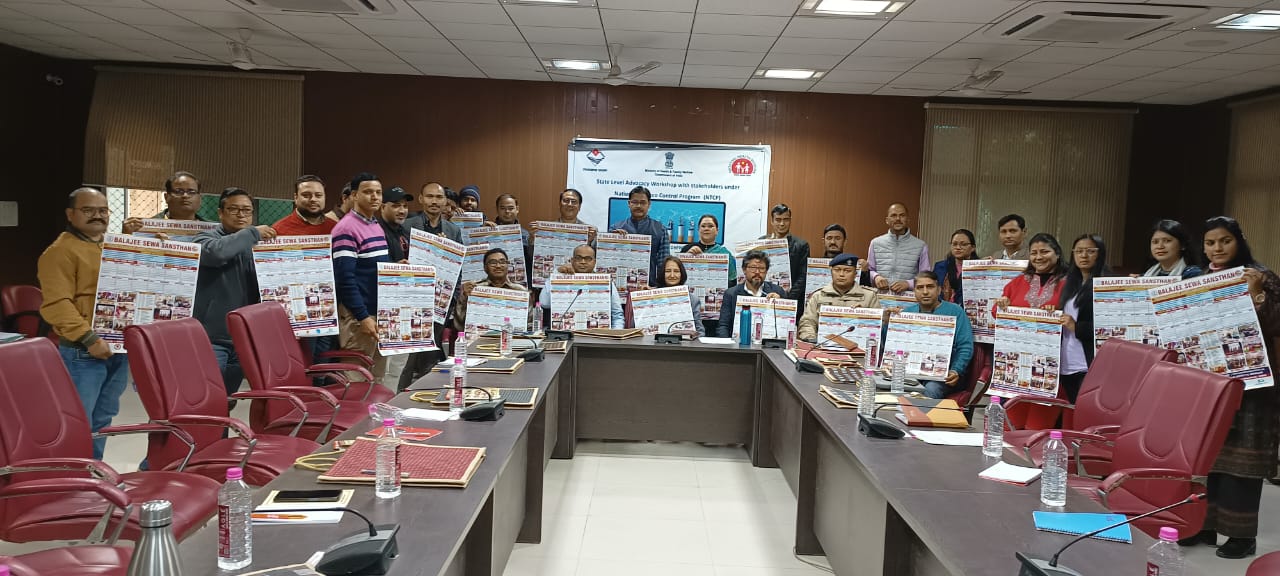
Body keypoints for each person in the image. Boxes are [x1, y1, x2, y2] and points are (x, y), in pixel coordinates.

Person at [1181, 216, 1280, 559]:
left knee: (1241, 463)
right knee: (1206, 457)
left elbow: (1276, 324)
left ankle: (1241, 536)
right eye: (1210, 243)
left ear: (1239, 241)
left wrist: (1256, 294)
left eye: (1225, 241)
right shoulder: (1198, 279)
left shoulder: (1261, 276)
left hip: (1251, 384)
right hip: (1209, 382)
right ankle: (1203, 526)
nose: (1217, 248)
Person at [37, 188, 126, 460]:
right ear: (70, 214)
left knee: (103, 418)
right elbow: (57, 304)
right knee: (79, 422)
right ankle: (71, 478)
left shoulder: (110, 246)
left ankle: (93, 472)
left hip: (119, 348)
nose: (97, 216)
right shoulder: (59, 252)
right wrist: (89, 339)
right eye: (88, 210)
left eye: (103, 210)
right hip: (83, 351)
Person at [191, 188, 276, 399]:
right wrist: (253, 233)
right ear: (220, 213)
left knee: (229, 397)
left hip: (244, 337)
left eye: (246, 210)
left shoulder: (260, 245)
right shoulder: (205, 239)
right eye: (234, 209)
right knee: (208, 397)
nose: (241, 215)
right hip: (211, 338)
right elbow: (217, 253)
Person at [994, 232, 1069, 430]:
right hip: (1019, 364)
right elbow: (996, 312)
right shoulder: (1019, 281)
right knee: (1009, 428)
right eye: (1034, 253)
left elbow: (1074, 316)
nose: (1038, 257)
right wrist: (1002, 304)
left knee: (1036, 428)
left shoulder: (1068, 283)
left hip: (1052, 364)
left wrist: (1058, 313)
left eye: (1044, 251)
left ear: (1057, 253)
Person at [397, 183, 462, 391]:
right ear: (421, 199)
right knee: (407, 356)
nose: (434, 201)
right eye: (430, 196)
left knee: (431, 351)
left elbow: (458, 268)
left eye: (439, 197)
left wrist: (453, 298)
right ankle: (400, 394)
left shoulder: (453, 230)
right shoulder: (407, 226)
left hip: (439, 302)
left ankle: (424, 393)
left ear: (445, 201)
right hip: (411, 299)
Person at [332, 172, 390, 380]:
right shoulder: (346, 229)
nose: (374, 197)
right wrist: (362, 316)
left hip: (378, 314)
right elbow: (344, 279)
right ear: (354, 195)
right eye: (368, 192)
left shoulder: (375, 224)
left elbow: (370, 267)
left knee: (377, 381)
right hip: (359, 318)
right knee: (357, 382)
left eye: (378, 192)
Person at [899, 271, 973, 399]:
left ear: (939, 290)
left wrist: (956, 370)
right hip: (911, 371)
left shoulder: (955, 311)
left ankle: (920, 413)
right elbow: (892, 344)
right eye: (920, 287)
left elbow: (965, 346)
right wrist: (886, 324)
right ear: (914, 291)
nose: (925, 292)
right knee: (890, 384)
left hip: (944, 374)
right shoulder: (907, 313)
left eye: (930, 287)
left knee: (931, 389)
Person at [1056, 234, 1110, 403]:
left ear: (1100, 254)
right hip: (1067, 362)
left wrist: (1077, 327)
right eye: (1079, 251)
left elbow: (1110, 330)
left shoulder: (1107, 285)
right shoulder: (1069, 283)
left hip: (1088, 363)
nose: (1084, 256)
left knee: (1087, 410)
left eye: (1090, 251)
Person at [538, 244, 625, 329]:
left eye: (588, 259)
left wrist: (615, 335)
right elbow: (544, 303)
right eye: (578, 258)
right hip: (565, 334)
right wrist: (557, 274)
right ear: (572, 260)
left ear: (594, 262)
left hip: (597, 335)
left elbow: (617, 315)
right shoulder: (561, 278)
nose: (583, 262)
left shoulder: (606, 282)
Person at [798, 253, 879, 342]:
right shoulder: (818, 296)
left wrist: (864, 317)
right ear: (831, 272)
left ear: (855, 274)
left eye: (847, 271)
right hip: (822, 345)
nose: (841, 274)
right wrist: (812, 340)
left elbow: (877, 327)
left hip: (858, 346)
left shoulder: (869, 296)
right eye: (837, 270)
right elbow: (808, 322)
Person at [453, 248, 529, 332]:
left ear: (507, 266)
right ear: (485, 268)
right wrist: (465, 297)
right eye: (493, 262)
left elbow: (529, 323)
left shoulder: (520, 291)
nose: (498, 266)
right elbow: (459, 325)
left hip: (512, 338)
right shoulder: (473, 289)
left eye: (502, 262)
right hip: (479, 337)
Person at [717, 250, 786, 338]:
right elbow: (723, 326)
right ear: (744, 270)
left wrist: (780, 305)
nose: (757, 272)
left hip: (768, 343)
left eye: (762, 268)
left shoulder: (777, 291)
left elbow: (785, 325)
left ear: (766, 271)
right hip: (737, 343)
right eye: (753, 268)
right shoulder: (731, 294)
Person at [610, 186, 670, 286]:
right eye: (634, 202)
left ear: (649, 204)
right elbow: (605, 258)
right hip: (619, 285)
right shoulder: (616, 228)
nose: (638, 206)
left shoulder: (660, 230)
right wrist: (612, 240)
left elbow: (663, 265)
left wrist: (659, 288)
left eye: (643, 203)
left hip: (649, 286)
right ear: (629, 203)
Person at [867, 202, 929, 294]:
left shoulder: (920, 245)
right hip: (879, 297)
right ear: (887, 220)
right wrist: (876, 277)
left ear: (908, 219)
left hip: (908, 298)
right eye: (893, 215)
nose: (898, 219)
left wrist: (908, 284)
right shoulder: (875, 243)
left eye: (902, 215)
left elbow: (926, 277)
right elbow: (869, 270)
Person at [121, 170, 210, 234]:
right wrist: (127, 236)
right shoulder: (143, 228)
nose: (185, 196)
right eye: (179, 191)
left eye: (191, 192)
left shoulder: (212, 231)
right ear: (166, 197)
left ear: (199, 198)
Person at [760, 204, 810, 302]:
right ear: (772, 221)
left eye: (786, 219)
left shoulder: (801, 245)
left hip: (789, 298)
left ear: (790, 220)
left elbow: (803, 276)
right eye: (778, 220)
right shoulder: (761, 242)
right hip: (764, 297)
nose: (782, 223)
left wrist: (786, 298)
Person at [654, 256, 705, 338]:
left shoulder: (693, 299)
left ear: (682, 274)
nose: (672, 275)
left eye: (676, 271)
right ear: (662, 273)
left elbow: (700, 331)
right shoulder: (651, 296)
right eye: (668, 271)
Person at [680, 214, 737, 287]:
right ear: (698, 230)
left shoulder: (725, 253)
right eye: (703, 226)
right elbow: (678, 275)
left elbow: (733, 281)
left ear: (717, 231)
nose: (706, 229)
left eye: (710, 226)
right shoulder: (687, 249)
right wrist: (687, 258)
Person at [530, 188, 598, 245]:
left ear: (579, 207)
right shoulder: (545, 229)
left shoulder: (590, 232)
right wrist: (533, 239)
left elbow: (594, 256)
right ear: (560, 204)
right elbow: (530, 255)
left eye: (574, 201)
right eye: (566, 200)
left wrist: (589, 242)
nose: (569, 204)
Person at [933, 229, 977, 305]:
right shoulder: (940, 267)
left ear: (973, 247)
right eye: (954, 244)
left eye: (963, 244)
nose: (958, 247)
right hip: (943, 309)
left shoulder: (977, 268)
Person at [377, 187, 412, 263]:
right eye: (396, 206)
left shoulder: (406, 233)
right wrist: (395, 266)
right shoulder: (375, 232)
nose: (402, 211)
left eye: (405, 206)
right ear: (383, 207)